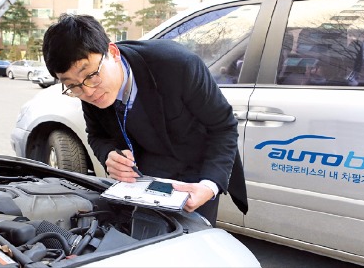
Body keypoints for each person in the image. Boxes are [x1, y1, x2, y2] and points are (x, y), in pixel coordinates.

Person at [42, 14, 247, 225]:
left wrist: (208, 185)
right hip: (142, 178)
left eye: (91, 76)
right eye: (73, 85)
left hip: (195, 174)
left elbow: (224, 127)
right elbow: (97, 135)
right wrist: (109, 155)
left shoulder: (177, 65)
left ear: (112, 52)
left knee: (190, 247)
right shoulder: (86, 86)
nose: (88, 91)